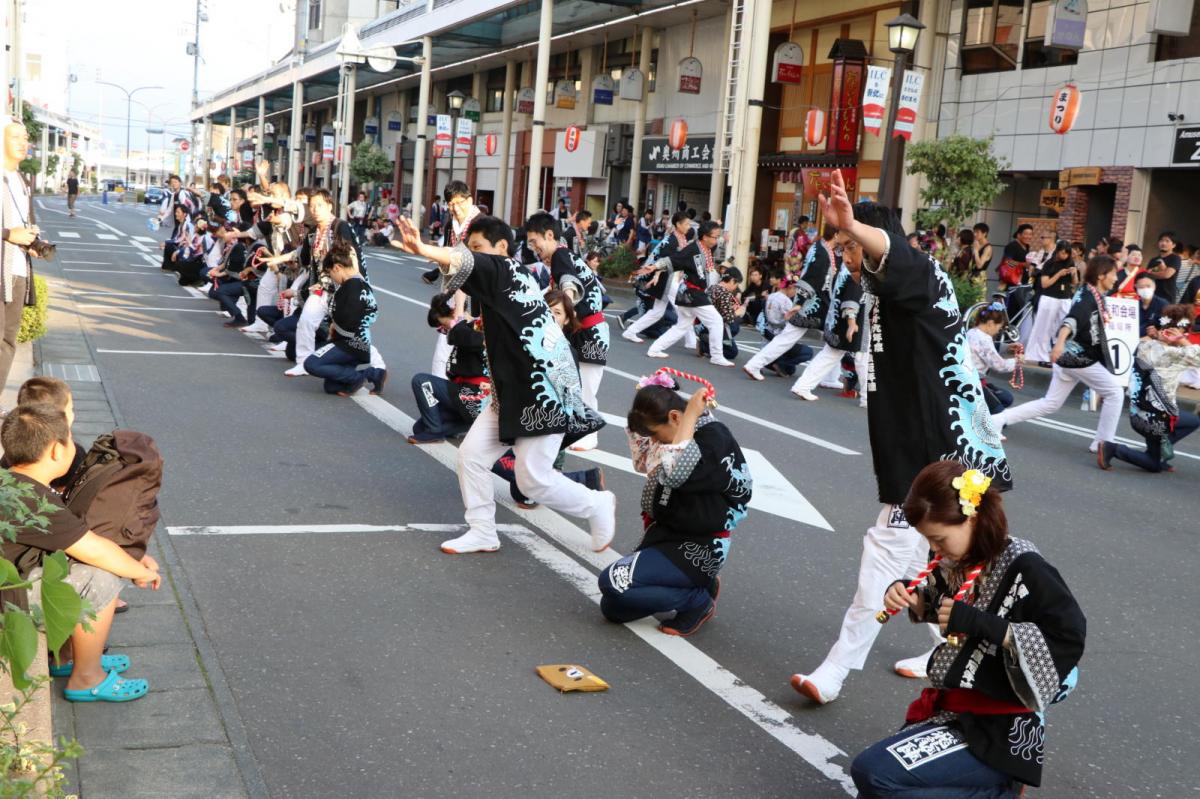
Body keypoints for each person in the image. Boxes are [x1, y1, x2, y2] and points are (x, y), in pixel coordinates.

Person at [789, 171, 1012, 705]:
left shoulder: (920, 274)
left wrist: (856, 229)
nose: (844, 254)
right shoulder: (881, 287)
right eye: (840, 245)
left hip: (943, 454)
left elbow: (891, 251)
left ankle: (837, 668)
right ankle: (959, 649)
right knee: (931, 560)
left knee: (887, 550)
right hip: (935, 450)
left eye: (848, 244)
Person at [851, 460, 1085, 798]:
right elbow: (939, 600)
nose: (935, 549)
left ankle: (1000, 792)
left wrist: (986, 626)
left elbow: (1068, 636)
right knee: (873, 784)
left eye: (939, 539)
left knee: (874, 776)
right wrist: (908, 594)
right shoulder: (961, 560)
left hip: (1003, 730)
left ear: (971, 516)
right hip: (956, 713)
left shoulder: (1025, 565)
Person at [392, 214, 615, 554]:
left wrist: (423, 247)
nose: (474, 255)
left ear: (501, 247)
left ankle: (597, 505)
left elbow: (465, 262)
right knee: (472, 456)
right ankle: (483, 530)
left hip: (543, 393)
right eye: (471, 249)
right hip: (511, 394)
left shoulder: (506, 271)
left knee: (532, 480)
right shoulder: (504, 286)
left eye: (479, 248)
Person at [2, 405, 164, 702]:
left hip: (10, 583)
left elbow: (74, 536)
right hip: (8, 605)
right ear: (55, 451)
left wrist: (134, 558)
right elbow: (96, 550)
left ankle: (65, 659)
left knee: (100, 563)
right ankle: (86, 677)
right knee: (100, 576)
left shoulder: (12, 481)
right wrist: (139, 571)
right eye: (68, 439)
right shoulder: (32, 499)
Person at [597, 379, 751, 636]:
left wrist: (690, 414)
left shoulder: (713, 437)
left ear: (675, 417)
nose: (654, 441)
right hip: (666, 536)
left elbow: (677, 473)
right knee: (613, 607)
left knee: (613, 581)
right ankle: (698, 587)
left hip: (700, 546)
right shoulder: (677, 433)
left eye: (655, 433)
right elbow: (643, 462)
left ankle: (697, 601)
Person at [992, 255, 1124, 464]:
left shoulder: (1090, 293)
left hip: (1069, 358)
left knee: (1050, 403)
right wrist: (1061, 341)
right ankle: (1103, 443)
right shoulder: (1087, 297)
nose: (1116, 279)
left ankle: (997, 420)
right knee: (1115, 392)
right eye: (1114, 274)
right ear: (1101, 275)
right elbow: (1072, 320)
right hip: (1077, 357)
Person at [523, 212, 610, 451]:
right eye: (529, 244)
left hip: (590, 333)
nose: (533, 248)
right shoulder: (561, 257)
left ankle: (589, 435)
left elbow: (568, 284)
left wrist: (565, 304)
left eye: (534, 242)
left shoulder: (561, 254)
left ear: (549, 235)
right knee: (575, 384)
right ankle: (574, 429)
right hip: (581, 331)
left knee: (587, 387)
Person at [1101, 305, 1200, 472]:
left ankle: (1157, 452)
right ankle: (1113, 449)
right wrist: (1182, 341)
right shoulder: (1174, 354)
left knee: (1170, 421)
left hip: (1137, 413)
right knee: (1193, 422)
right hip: (1156, 420)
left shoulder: (1144, 345)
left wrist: (1157, 337)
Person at [638, 221, 735, 367]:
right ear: (704, 237)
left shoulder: (708, 248)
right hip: (692, 292)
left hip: (691, 293)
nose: (716, 240)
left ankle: (654, 349)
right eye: (714, 237)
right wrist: (655, 266)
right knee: (716, 321)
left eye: (717, 237)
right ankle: (717, 355)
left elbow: (717, 241)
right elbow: (673, 260)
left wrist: (722, 235)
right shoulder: (691, 249)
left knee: (681, 327)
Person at [788, 232, 868, 407]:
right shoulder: (855, 267)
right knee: (863, 358)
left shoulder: (845, 263)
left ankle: (802, 385)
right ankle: (867, 398)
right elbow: (852, 297)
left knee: (832, 354)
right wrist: (852, 322)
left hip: (837, 318)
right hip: (851, 321)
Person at [301, 242, 387, 396]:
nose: (331, 277)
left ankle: (358, 377)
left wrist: (334, 326)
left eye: (330, 273)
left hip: (350, 343)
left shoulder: (353, 286)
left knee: (311, 364)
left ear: (337, 267)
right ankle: (375, 374)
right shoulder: (356, 283)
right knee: (332, 387)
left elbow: (350, 320)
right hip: (354, 342)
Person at [1, 120, 37, 399]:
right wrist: (8, 233)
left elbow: (22, 223)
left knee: (8, 342)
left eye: (25, 137)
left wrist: (33, 241)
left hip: (17, 269)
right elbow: (9, 230)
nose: (23, 142)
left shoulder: (21, 180)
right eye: (15, 137)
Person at [622, 212, 692, 344]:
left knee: (658, 312)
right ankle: (691, 343)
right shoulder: (671, 240)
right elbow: (663, 261)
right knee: (684, 311)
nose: (689, 226)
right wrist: (656, 275)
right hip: (669, 280)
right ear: (678, 224)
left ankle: (630, 331)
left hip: (671, 279)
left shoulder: (679, 238)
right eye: (687, 224)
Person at [1024, 239, 1077, 363]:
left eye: (1066, 253)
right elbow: (1044, 284)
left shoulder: (1070, 262)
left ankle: (1059, 355)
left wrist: (1074, 273)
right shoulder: (1049, 263)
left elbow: (1074, 283)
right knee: (1044, 327)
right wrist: (1058, 274)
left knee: (1063, 326)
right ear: (1057, 251)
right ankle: (1041, 355)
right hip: (1049, 297)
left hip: (1065, 298)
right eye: (1062, 253)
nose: (1064, 256)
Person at [968, 303, 1021, 413]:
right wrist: (1017, 361)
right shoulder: (984, 339)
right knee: (1000, 416)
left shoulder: (972, 332)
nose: (998, 331)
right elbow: (999, 365)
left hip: (971, 380)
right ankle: (976, 416)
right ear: (991, 323)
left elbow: (987, 350)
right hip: (974, 384)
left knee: (1006, 398)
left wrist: (1006, 348)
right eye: (999, 327)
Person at [1146, 230, 1181, 302]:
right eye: (1161, 240)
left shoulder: (1175, 258)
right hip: (1152, 295)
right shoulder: (1153, 260)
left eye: (1167, 241)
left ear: (1173, 245)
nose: (1163, 243)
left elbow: (1166, 275)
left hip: (1167, 296)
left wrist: (1153, 272)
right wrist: (1161, 270)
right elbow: (1146, 275)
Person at [997, 224, 1033, 291]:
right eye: (1026, 234)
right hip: (1010, 281)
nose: (1029, 236)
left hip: (1020, 281)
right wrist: (1023, 264)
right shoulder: (1012, 246)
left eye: (1031, 234)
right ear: (1019, 235)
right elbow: (1007, 261)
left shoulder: (1026, 246)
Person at [1133, 272, 1168, 338]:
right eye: (1141, 287)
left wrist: (1157, 334)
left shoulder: (1163, 304)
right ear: (1136, 287)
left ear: (1154, 286)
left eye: (1148, 286)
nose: (1145, 289)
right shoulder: (1133, 304)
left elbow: (1167, 328)